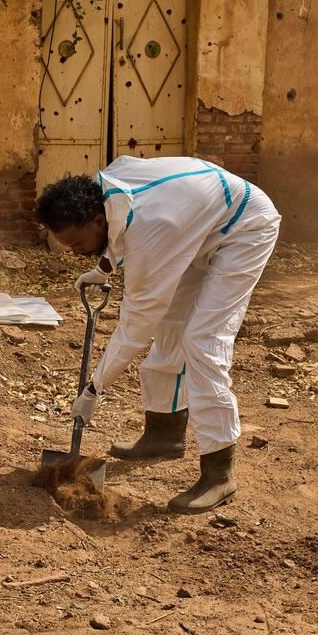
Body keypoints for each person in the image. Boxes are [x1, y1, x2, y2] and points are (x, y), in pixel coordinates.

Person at [37, 156, 281, 514]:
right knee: (169, 326)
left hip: (244, 228)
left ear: (97, 220)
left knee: (202, 341)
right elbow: (119, 228)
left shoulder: (153, 230)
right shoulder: (107, 188)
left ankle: (219, 475)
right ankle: (164, 435)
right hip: (196, 227)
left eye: (76, 244)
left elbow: (134, 329)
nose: (74, 253)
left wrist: (93, 390)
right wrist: (103, 266)